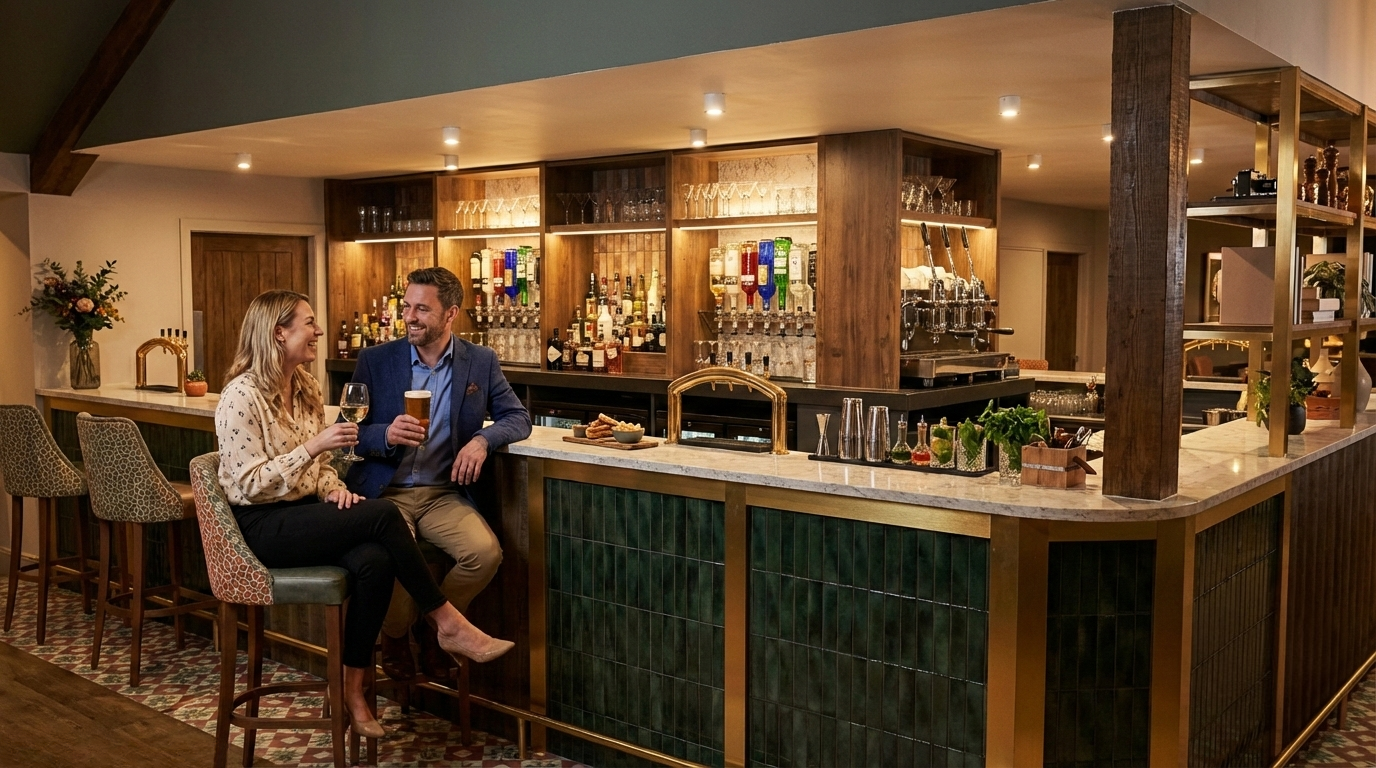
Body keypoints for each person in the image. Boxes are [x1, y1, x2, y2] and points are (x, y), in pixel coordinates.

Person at [214, 289, 514, 739]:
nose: (318, 331)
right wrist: (314, 447)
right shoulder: (241, 395)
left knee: (374, 560)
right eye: (309, 323)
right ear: (279, 333)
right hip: (259, 526)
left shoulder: (306, 387)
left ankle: (354, 690)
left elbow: (321, 470)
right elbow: (247, 484)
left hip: (305, 513)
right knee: (384, 517)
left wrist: (336, 491)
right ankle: (446, 622)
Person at [345, 266, 531, 683]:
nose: (410, 317)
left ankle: (436, 631)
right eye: (407, 306)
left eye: (422, 309)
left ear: (451, 315)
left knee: (485, 554)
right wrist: (386, 433)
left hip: (442, 494)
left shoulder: (479, 362)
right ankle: (395, 634)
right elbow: (349, 432)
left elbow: (518, 417)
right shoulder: (376, 360)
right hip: (384, 493)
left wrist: (483, 440)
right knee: (394, 559)